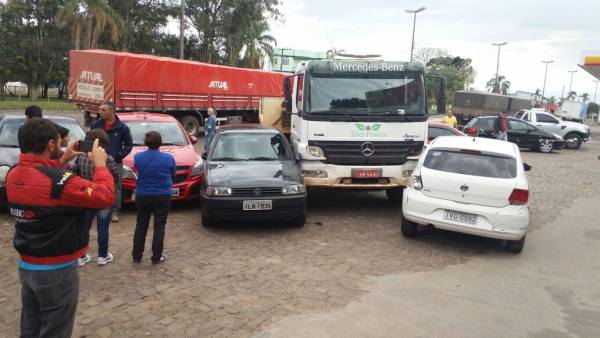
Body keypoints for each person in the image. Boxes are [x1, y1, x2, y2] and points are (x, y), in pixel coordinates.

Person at [6, 118, 115, 338]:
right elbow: (104, 196)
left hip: (28, 265)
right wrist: (101, 165)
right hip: (56, 270)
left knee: (31, 327)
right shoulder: (62, 183)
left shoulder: (13, 175)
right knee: (56, 330)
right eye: (59, 141)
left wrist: (62, 160)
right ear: (50, 145)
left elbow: (40, 178)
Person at [72, 129, 121, 266]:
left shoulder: (81, 157)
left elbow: (75, 174)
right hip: (103, 197)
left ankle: (81, 256)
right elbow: (116, 177)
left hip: (87, 195)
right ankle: (102, 256)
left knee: (84, 227)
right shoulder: (108, 159)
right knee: (103, 228)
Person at [132, 130, 176, 265]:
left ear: (145, 143)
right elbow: (172, 174)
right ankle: (156, 256)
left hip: (143, 194)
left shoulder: (138, 157)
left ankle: (137, 256)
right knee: (159, 226)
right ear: (160, 142)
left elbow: (138, 170)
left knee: (141, 225)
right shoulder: (169, 158)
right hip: (163, 194)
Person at [90, 101, 133, 223]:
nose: (100, 112)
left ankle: (114, 212)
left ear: (112, 111)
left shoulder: (122, 128)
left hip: (115, 162)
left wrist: (118, 156)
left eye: (104, 110)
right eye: (100, 110)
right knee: (96, 184)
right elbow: (88, 139)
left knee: (116, 186)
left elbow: (129, 145)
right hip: (97, 161)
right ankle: (96, 208)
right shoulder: (96, 124)